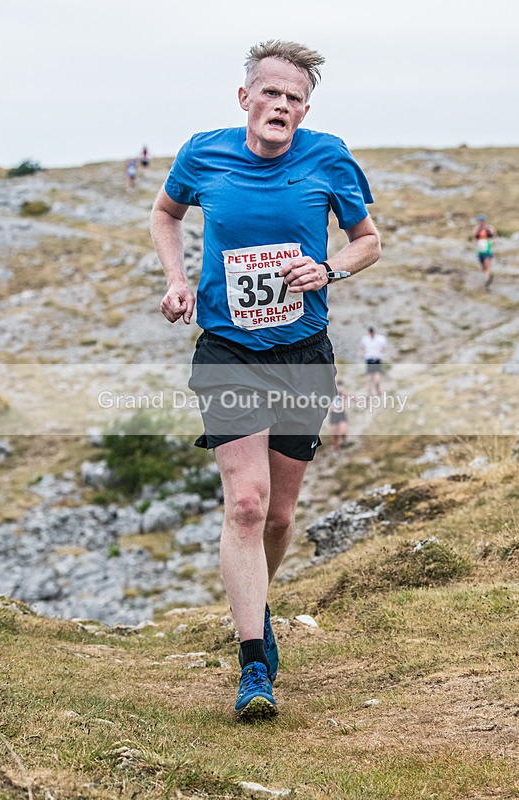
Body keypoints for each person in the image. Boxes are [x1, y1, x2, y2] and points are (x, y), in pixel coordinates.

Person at [151, 40, 380, 720]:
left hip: (303, 354)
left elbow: (369, 239)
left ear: (304, 110)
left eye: (293, 98)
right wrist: (175, 280)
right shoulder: (204, 153)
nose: (280, 105)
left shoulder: (328, 157)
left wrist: (331, 268)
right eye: (269, 92)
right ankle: (253, 665)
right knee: (245, 505)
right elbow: (165, 213)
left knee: (278, 515)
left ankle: (256, 607)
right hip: (227, 351)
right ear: (244, 98)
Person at [359, 325, 387, 398]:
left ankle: (379, 392)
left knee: (377, 377)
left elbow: (384, 348)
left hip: (377, 359)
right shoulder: (365, 339)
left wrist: (381, 352)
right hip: (369, 359)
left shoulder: (380, 338)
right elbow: (362, 348)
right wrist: (362, 354)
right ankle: (368, 393)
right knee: (369, 378)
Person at [473, 214, 496, 288]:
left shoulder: (489, 228)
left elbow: (494, 235)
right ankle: (488, 275)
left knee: (487, 265)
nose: (481, 222)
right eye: (480, 220)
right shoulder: (476, 228)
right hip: (480, 250)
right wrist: (479, 229)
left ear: (485, 220)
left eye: (482, 220)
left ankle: (487, 280)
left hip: (487, 249)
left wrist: (493, 242)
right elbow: (474, 238)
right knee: (483, 267)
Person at [328, 380, 350, 453]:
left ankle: (344, 439)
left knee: (343, 431)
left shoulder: (343, 393)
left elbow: (352, 397)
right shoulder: (330, 394)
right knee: (334, 435)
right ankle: (335, 449)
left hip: (341, 414)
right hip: (333, 415)